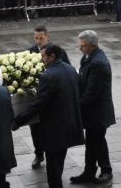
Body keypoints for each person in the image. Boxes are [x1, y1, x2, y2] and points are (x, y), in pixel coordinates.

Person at [12, 44, 85, 188]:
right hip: (70, 124)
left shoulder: (48, 75)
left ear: (52, 56)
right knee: (59, 162)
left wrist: (18, 121)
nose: (41, 59)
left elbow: (39, 104)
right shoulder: (71, 70)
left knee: (53, 168)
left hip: (54, 130)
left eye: (44, 56)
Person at [71, 30, 115, 184]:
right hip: (93, 111)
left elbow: (91, 93)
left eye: (82, 45)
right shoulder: (89, 56)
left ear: (91, 45)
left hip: (98, 112)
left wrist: (75, 107)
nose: (80, 48)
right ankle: (89, 171)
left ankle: (106, 170)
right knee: (91, 142)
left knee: (97, 141)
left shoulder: (98, 63)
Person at [27, 24, 71, 169]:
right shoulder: (31, 51)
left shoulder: (58, 52)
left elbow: (67, 69)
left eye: (41, 38)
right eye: (36, 38)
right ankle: (38, 154)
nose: (38, 41)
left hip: (52, 96)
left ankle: (51, 152)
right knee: (35, 128)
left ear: (47, 36)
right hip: (37, 94)